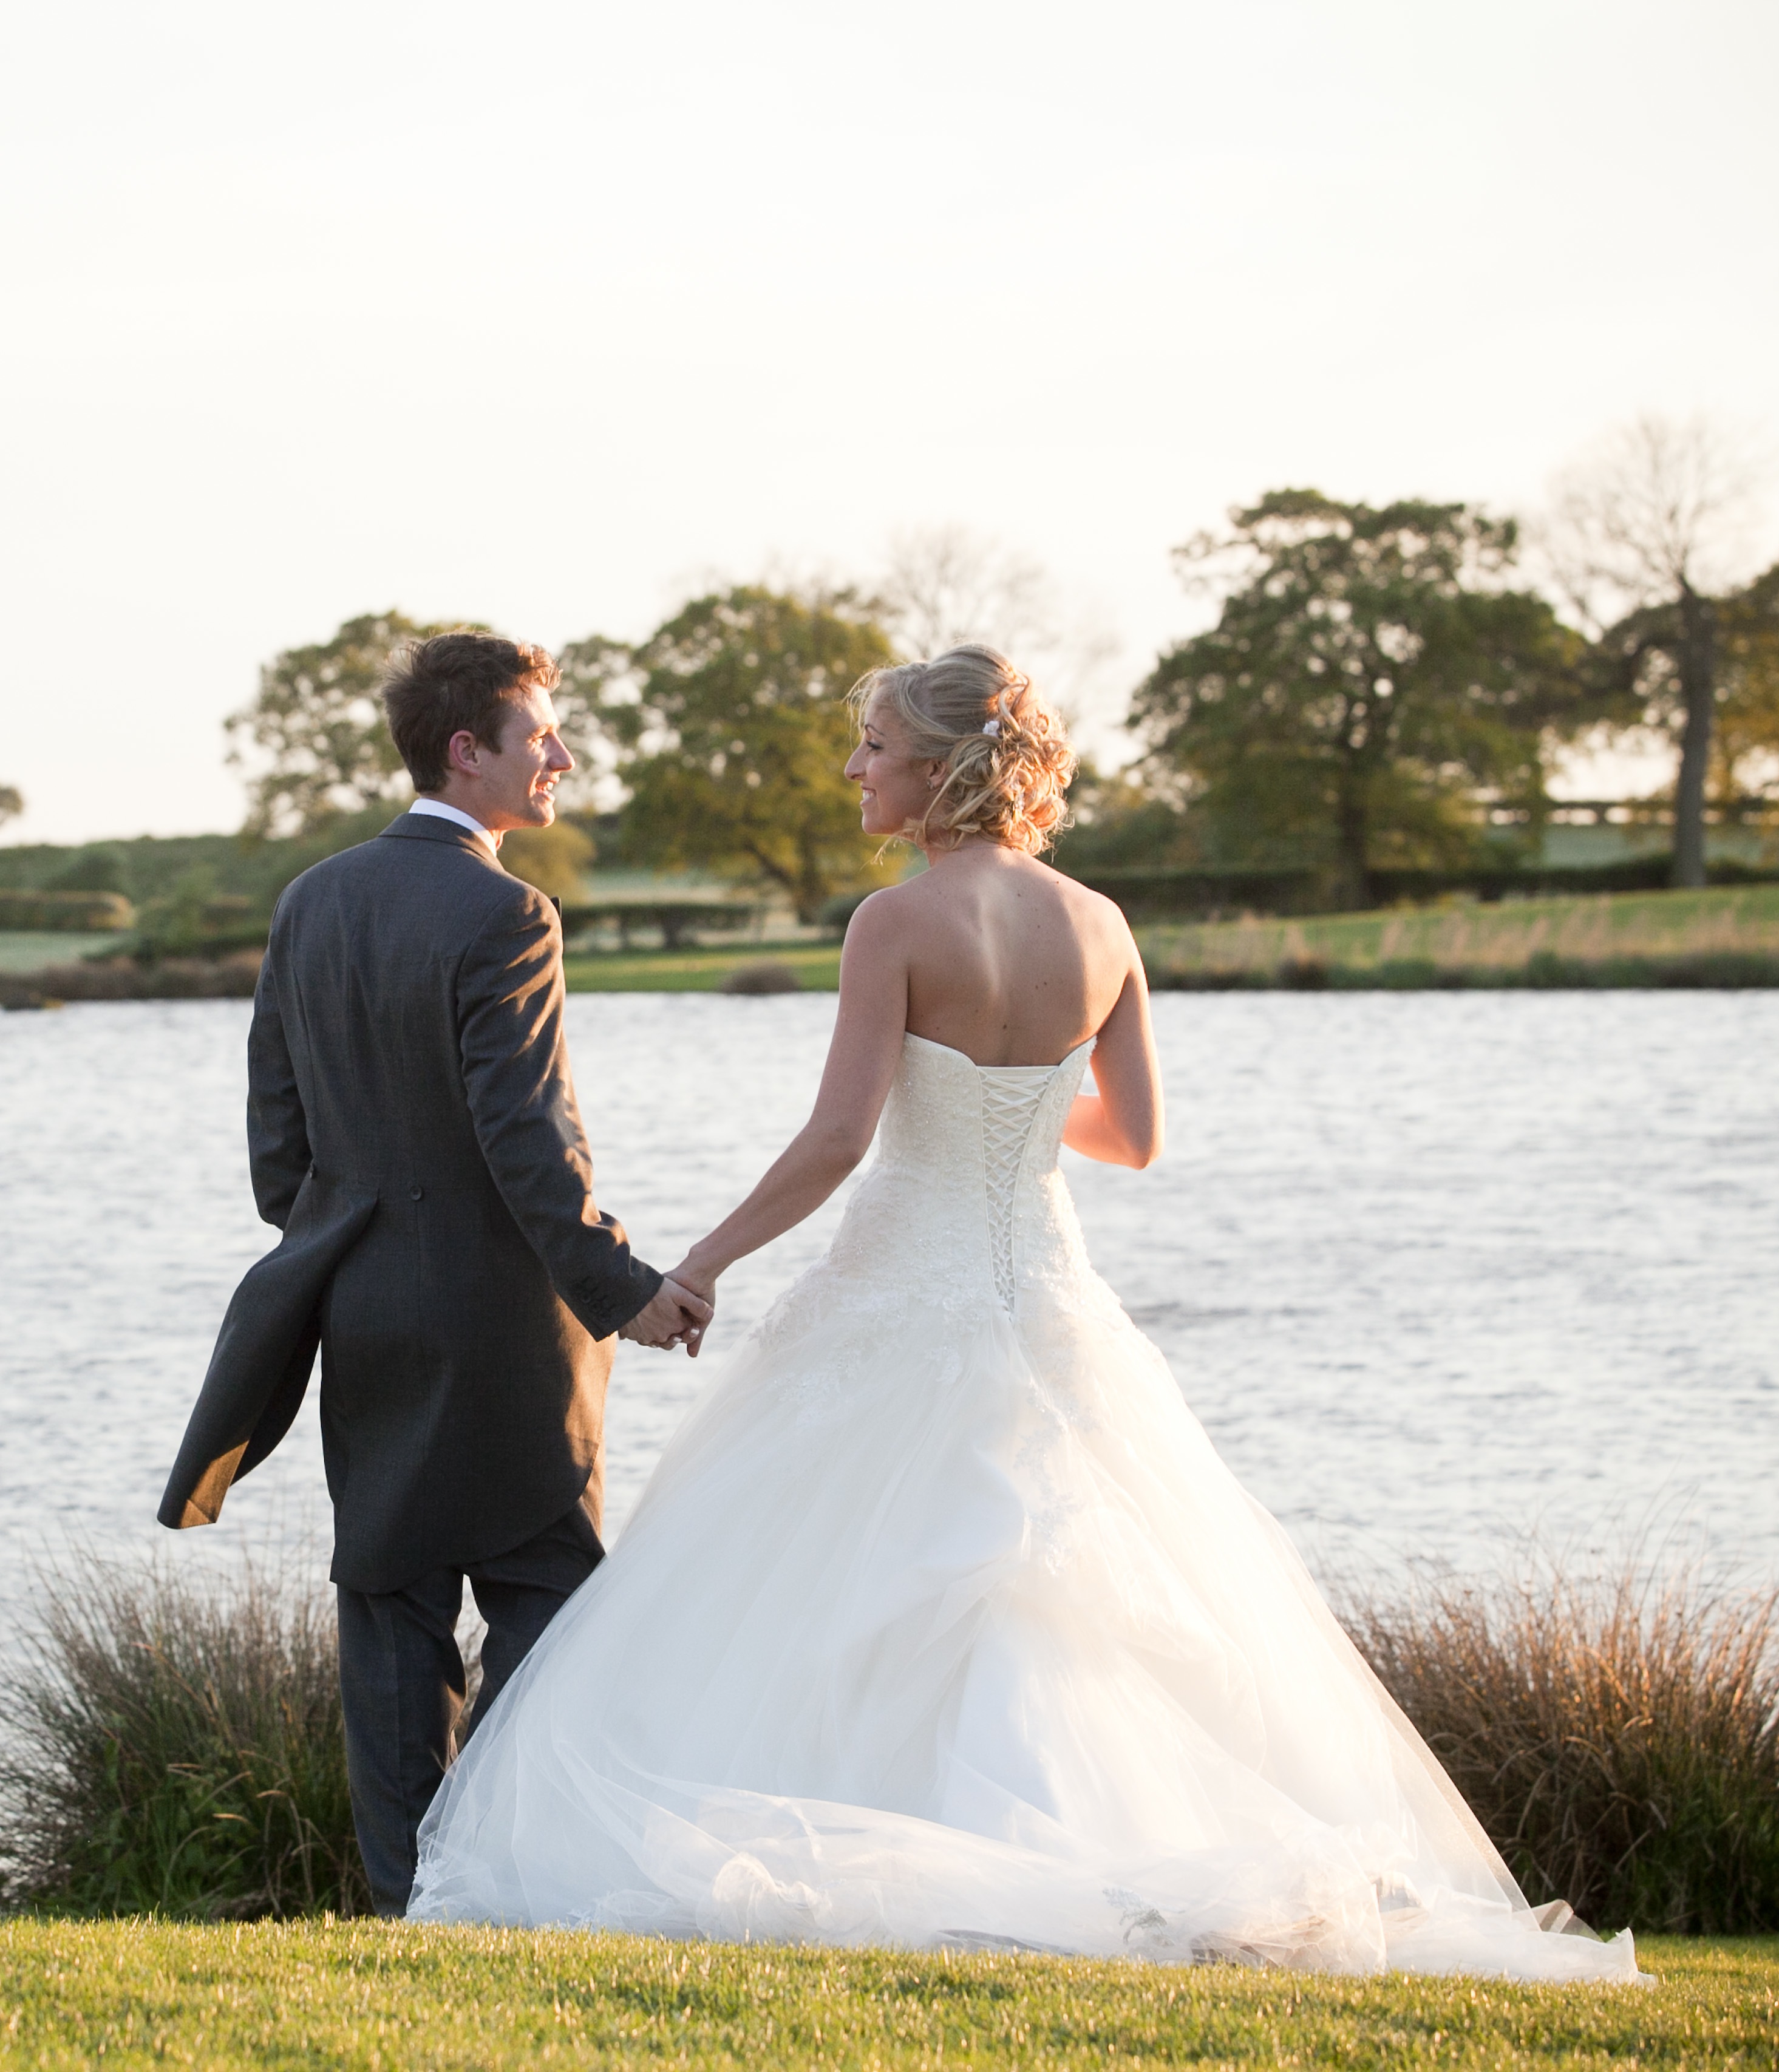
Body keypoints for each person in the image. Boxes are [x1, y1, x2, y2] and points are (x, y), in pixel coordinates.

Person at [403, 645, 1647, 1983]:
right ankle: (1078, 1852)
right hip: (1046, 1287)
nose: (853, 769)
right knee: (1058, 1577)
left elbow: (837, 1140)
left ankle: (927, 1848)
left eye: (872, 746)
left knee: (869, 1570)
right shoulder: (1101, 925)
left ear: (939, 768)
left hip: (907, 1278)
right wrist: (1026, 1111)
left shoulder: (893, 925)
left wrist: (694, 1265)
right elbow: (1140, 1139)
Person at [157, 631, 713, 1917]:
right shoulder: (507, 911)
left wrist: (353, 1235)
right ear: (468, 753)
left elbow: (274, 1143)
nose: (562, 758)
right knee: (551, 1600)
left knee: (391, 1605)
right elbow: (530, 1140)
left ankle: (415, 1896)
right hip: (507, 1328)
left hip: (360, 1313)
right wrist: (624, 1289)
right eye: (540, 739)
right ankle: (508, 1871)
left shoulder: (313, 900)